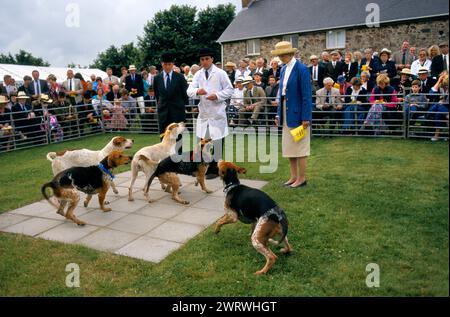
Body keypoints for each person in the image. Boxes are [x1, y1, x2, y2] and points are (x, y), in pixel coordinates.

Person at [272, 41, 312, 188]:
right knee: (289, 147)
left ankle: (301, 179)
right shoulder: (283, 70)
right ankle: (293, 176)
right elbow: (281, 95)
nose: (281, 57)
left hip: (298, 113)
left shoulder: (301, 69)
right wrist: (278, 115)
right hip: (285, 111)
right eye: (279, 55)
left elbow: (307, 95)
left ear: (290, 53)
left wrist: (306, 117)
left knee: (300, 147)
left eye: (283, 54)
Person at [187, 47, 234, 161]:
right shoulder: (198, 74)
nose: (204, 61)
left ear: (212, 59)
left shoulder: (220, 73)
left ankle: (216, 168)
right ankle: (203, 167)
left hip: (217, 113)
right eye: (202, 59)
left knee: (217, 142)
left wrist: (217, 96)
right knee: (203, 142)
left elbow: (229, 90)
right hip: (204, 114)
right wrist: (197, 91)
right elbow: (189, 90)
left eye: (207, 59)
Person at [153, 52, 189, 136]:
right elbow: (157, 95)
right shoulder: (157, 78)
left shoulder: (180, 77)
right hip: (163, 113)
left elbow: (185, 94)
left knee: (178, 138)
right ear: (162, 64)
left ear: (173, 64)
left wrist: (180, 105)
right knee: (164, 138)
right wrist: (161, 106)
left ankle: (179, 150)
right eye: (165, 64)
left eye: (169, 64)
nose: (167, 66)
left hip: (177, 112)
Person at [428, 73, 449, 141]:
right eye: (442, 77)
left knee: (438, 111)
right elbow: (431, 93)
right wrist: (439, 81)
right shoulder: (440, 87)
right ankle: (447, 115)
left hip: (445, 108)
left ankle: (436, 135)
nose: (443, 78)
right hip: (443, 108)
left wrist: (443, 101)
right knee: (438, 108)